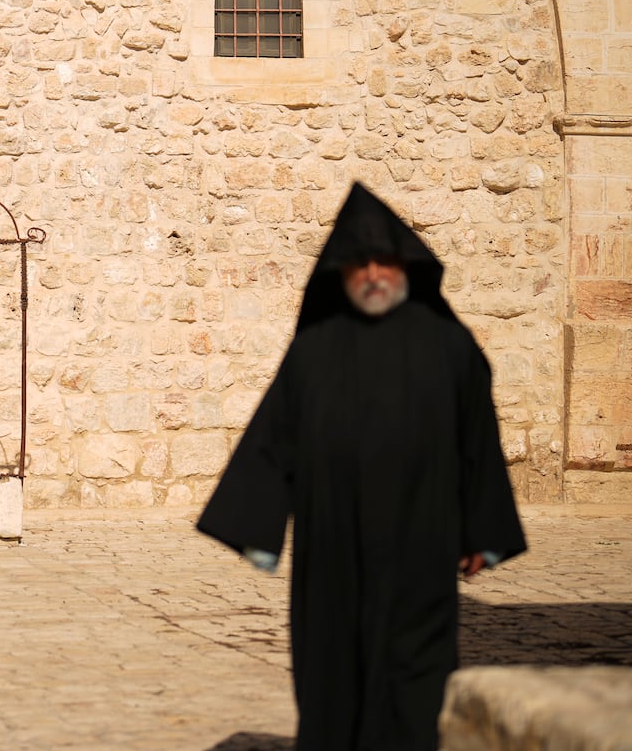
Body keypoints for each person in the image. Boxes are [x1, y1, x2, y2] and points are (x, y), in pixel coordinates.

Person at [197, 182, 526, 751]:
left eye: (385, 262)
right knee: (333, 671)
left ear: (405, 268)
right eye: (360, 264)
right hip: (334, 554)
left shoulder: (451, 346)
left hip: (421, 544)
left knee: (417, 677)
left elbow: (478, 441)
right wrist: (255, 529)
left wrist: (483, 533)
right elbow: (275, 439)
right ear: (340, 275)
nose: (374, 274)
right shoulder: (315, 350)